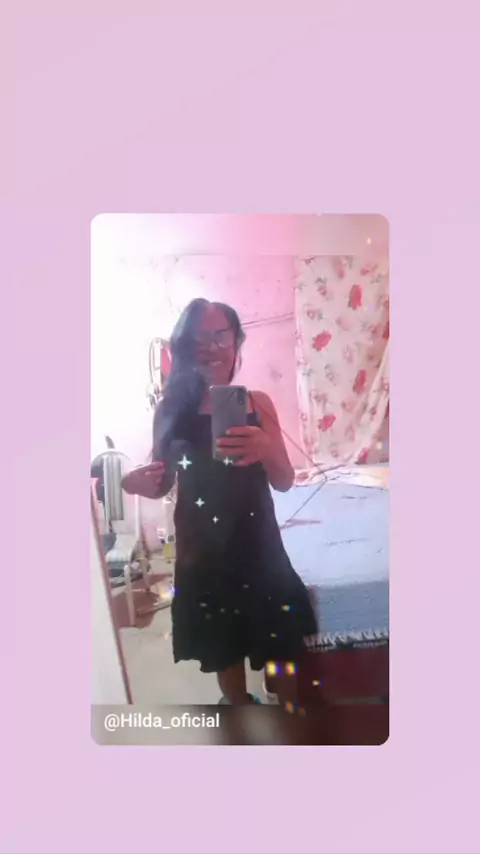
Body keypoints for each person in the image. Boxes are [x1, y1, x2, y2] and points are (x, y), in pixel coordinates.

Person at [122, 298, 317, 704]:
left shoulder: (258, 404)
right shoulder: (170, 411)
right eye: (198, 339)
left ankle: (290, 719)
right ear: (184, 348)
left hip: (258, 546)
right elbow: (161, 482)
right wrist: (133, 483)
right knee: (223, 649)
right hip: (203, 554)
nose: (210, 347)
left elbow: (284, 481)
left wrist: (266, 448)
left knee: (281, 646)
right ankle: (240, 713)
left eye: (220, 336)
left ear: (236, 342)